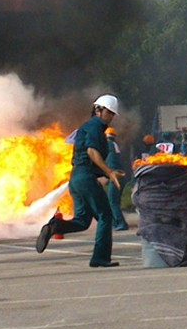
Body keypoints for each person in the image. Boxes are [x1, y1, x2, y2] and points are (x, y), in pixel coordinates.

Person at [35, 94, 124, 267]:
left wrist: (107, 174)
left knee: (83, 221)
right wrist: (109, 172)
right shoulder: (94, 126)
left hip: (77, 179)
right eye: (109, 112)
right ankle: (100, 258)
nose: (111, 117)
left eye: (113, 114)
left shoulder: (94, 128)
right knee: (105, 215)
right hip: (84, 177)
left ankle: (54, 227)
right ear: (98, 110)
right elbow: (91, 152)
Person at [105, 127, 129, 231]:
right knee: (115, 200)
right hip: (120, 175)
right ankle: (115, 222)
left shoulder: (108, 145)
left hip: (116, 175)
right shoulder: (115, 145)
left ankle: (120, 223)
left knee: (112, 200)